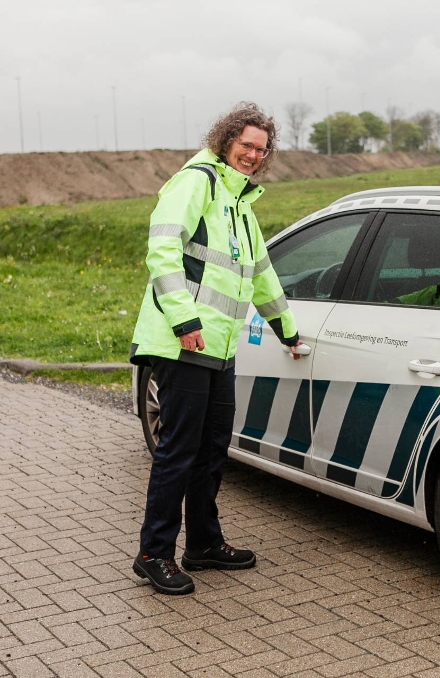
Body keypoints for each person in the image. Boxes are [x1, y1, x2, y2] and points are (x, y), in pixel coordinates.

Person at [129, 102, 303, 595]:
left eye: (260, 149)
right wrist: (183, 319)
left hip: (219, 347)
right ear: (226, 139)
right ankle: (153, 553)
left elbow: (261, 273)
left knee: (211, 450)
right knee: (177, 453)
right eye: (245, 144)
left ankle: (203, 543)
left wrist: (285, 329)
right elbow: (162, 249)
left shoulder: (240, 204)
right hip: (181, 339)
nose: (252, 154)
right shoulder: (197, 182)